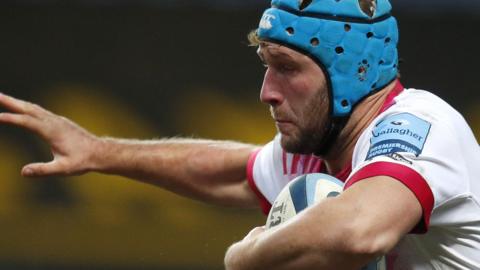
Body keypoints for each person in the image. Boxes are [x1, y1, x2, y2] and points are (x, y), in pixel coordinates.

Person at [1, 0, 479, 269]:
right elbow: (232, 173)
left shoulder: (419, 124)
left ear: (352, 73)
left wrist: (245, 257)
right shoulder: (322, 145)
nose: (266, 92)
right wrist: (100, 152)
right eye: (266, 67)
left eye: (286, 68)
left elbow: (357, 230)